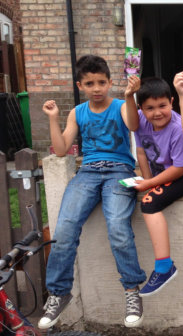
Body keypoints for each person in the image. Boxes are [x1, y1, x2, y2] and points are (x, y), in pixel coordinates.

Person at [39, 55, 147, 329]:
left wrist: (131, 96)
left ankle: (132, 291)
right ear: (80, 86)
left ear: (110, 82)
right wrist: (53, 119)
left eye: (101, 82)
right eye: (90, 83)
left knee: (118, 227)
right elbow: (62, 149)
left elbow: (133, 126)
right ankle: (59, 292)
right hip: (87, 172)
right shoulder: (78, 112)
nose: (96, 88)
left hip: (119, 171)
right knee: (64, 229)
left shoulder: (122, 105)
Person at [132, 77, 183, 297]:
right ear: (141, 109)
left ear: (172, 102)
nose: (157, 112)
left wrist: (149, 186)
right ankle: (164, 267)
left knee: (149, 203)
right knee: (147, 196)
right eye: (150, 108)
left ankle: (164, 267)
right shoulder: (139, 121)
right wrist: (147, 182)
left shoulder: (177, 127)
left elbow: (181, 168)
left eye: (162, 106)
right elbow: (141, 153)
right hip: (169, 173)